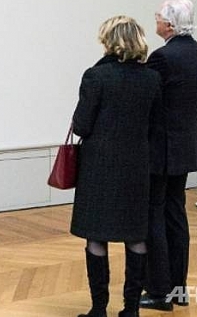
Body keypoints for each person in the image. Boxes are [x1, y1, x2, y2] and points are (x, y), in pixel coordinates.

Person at [70, 16, 161, 317]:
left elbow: (82, 126)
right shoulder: (151, 79)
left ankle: (99, 309)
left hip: (99, 167)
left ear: (109, 41)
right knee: (136, 236)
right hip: (137, 166)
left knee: (96, 236)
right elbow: (155, 125)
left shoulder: (96, 76)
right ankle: (131, 309)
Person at [140, 0, 197, 311]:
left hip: (160, 148)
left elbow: (147, 99)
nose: (155, 20)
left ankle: (159, 291)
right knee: (176, 213)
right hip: (184, 145)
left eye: (158, 17)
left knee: (154, 215)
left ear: (168, 24)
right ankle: (178, 289)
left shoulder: (162, 57)